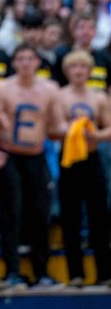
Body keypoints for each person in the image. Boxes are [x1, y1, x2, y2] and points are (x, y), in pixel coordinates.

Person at [0, 43, 61, 288]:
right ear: (13, 63)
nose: (25, 63)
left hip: (37, 155)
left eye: (30, 58)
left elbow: (55, 126)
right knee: (12, 214)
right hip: (10, 156)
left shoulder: (50, 90)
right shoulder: (1, 89)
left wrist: (78, 129)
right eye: (20, 58)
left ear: (38, 62)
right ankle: (13, 272)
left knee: (41, 214)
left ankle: (41, 271)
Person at [58, 50, 111, 286]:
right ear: (67, 70)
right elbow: (53, 127)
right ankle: (75, 274)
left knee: (99, 218)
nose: (78, 71)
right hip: (69, 161)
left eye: (83, 66)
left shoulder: (99, 97)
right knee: (70, 219)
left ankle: (104, 273)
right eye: (74, 66)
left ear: (89, 71)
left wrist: (95, 135)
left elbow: (109, 128)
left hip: (91, 160)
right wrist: (72, 132)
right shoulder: (59, 97)